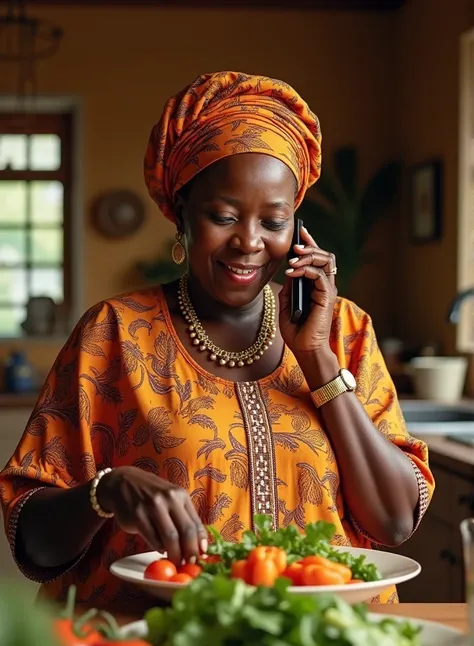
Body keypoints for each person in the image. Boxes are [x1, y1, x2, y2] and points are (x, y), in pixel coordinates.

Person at [0, 71, 434, 606]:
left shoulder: (346, 331)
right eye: (223, 216)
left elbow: (394, 522)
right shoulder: (114, 334)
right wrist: (104, 490)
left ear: (297, 229)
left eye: (273, 221)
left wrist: (318, 360)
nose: (250, 242)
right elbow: (31, 542)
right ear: (181, 213)